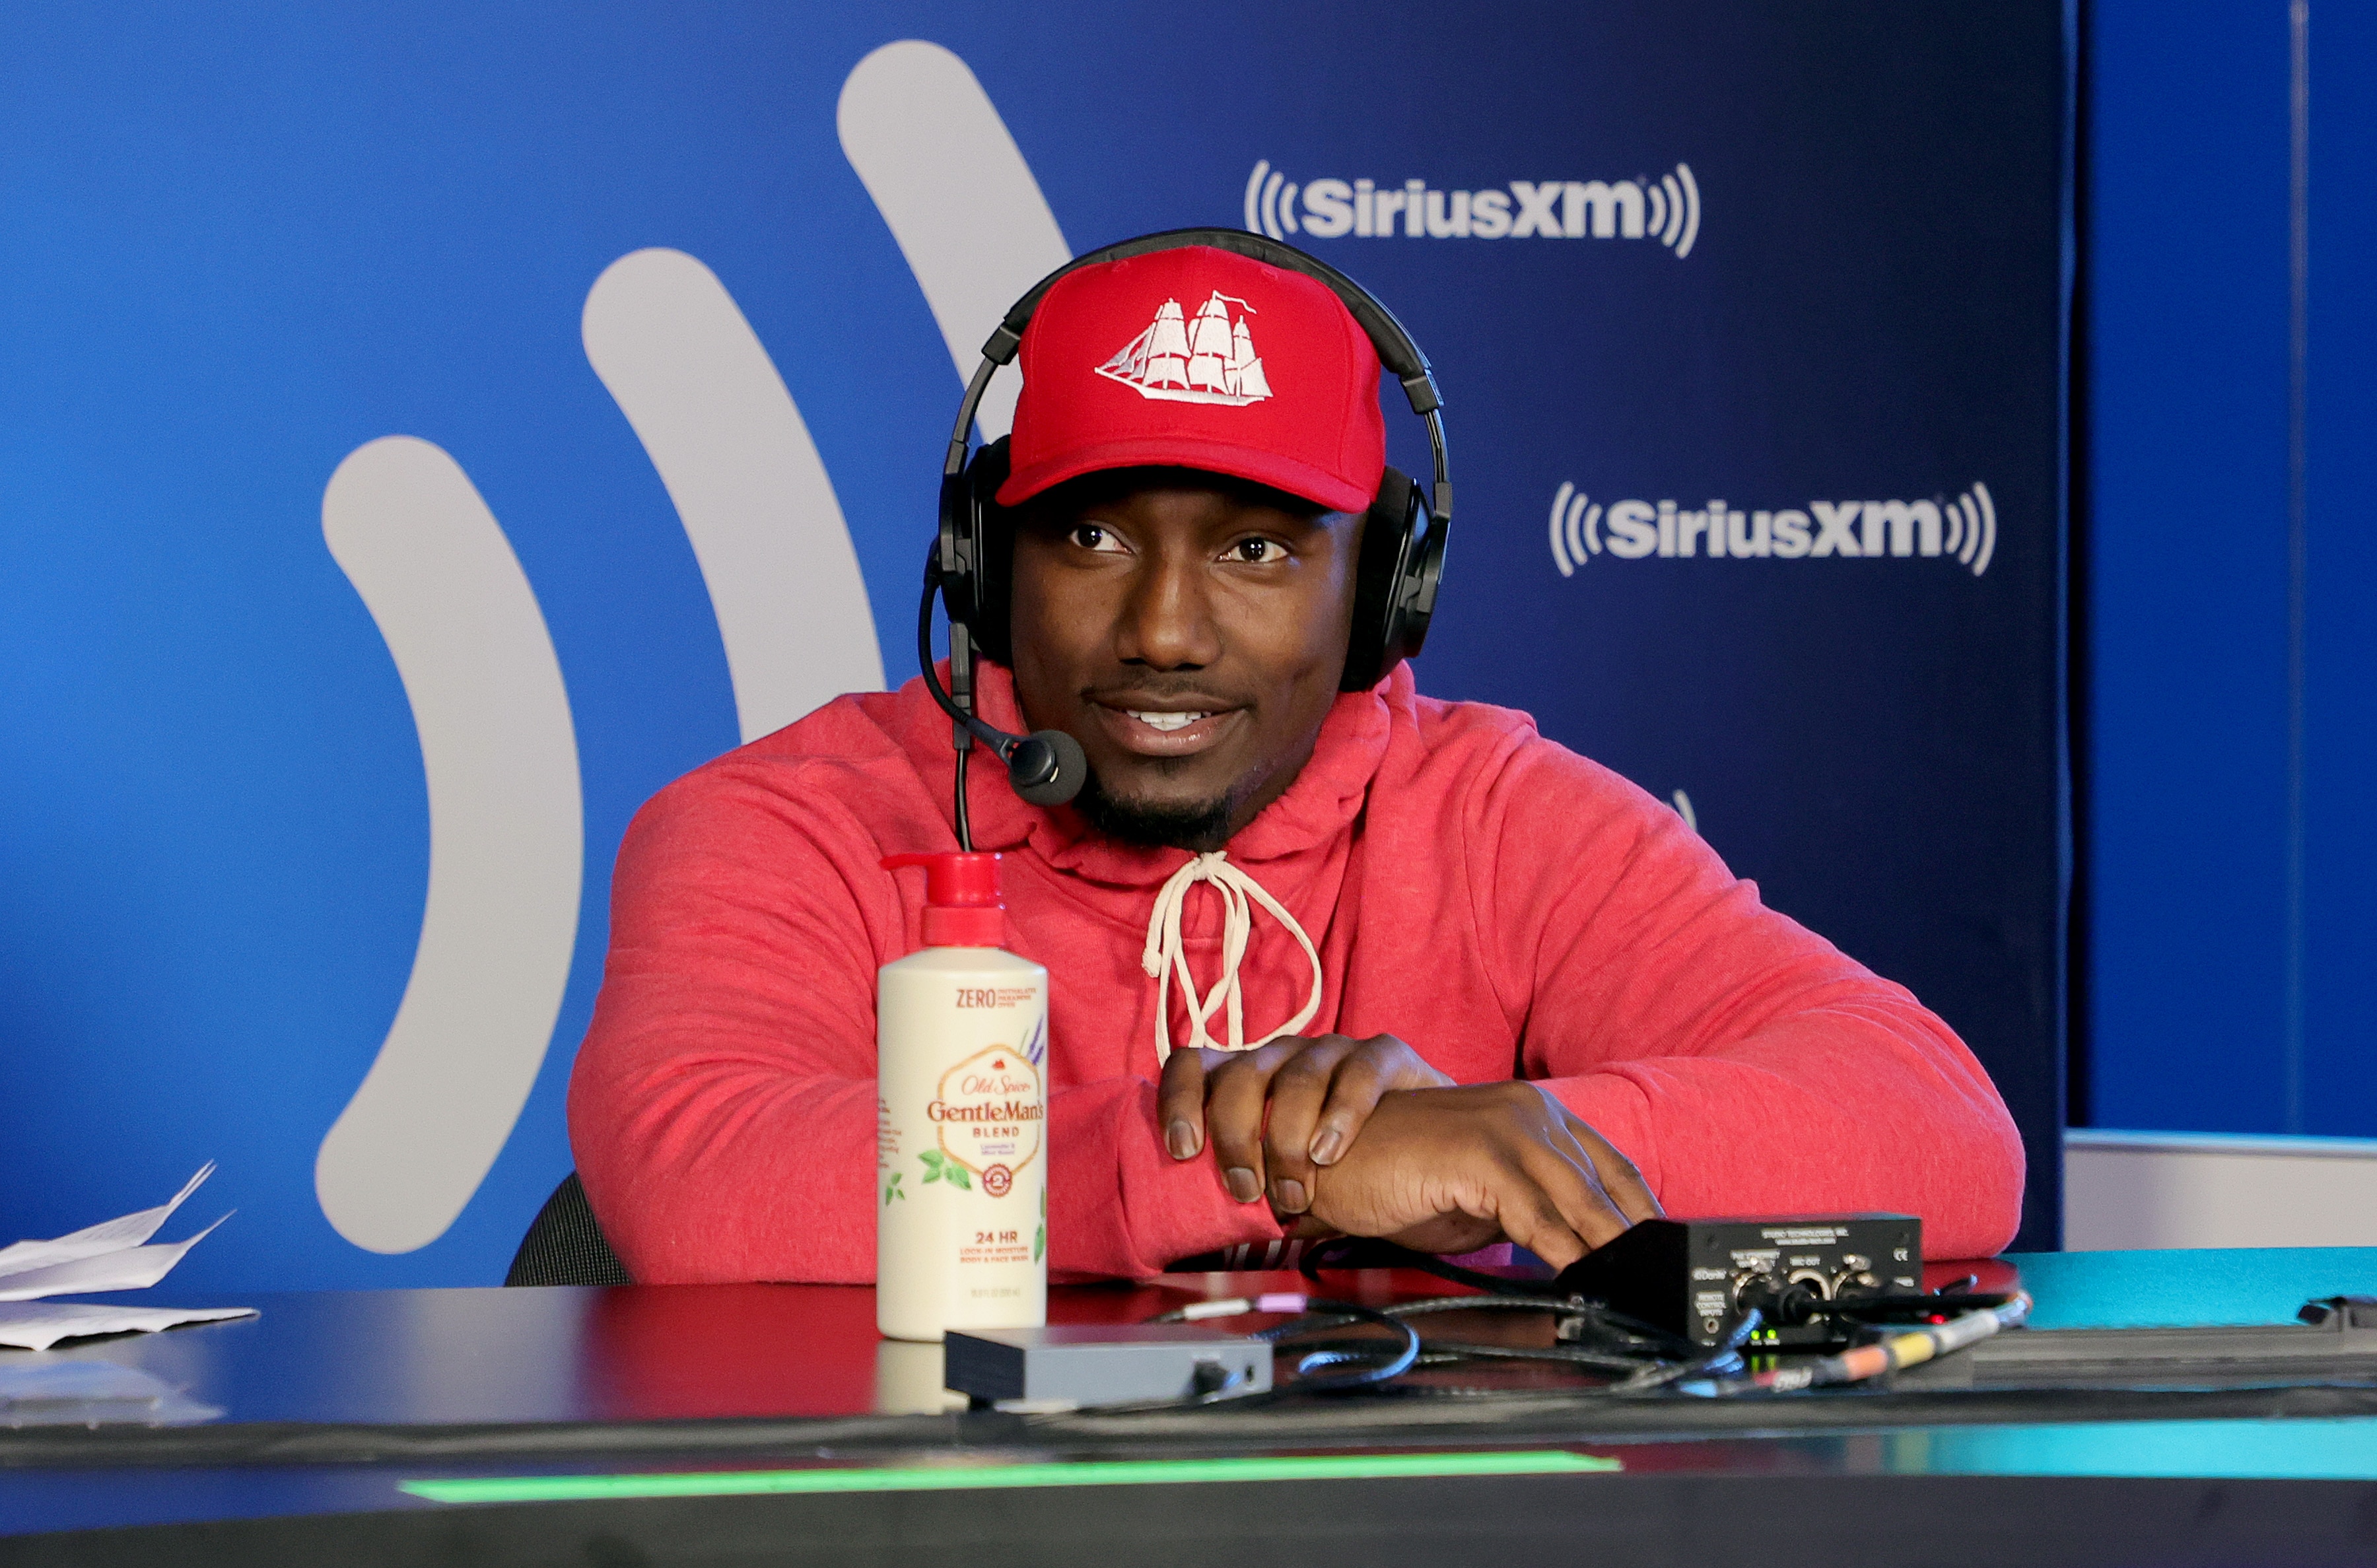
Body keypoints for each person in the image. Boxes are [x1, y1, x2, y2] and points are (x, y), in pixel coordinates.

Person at [567, 240, 2024, 1283]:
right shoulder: (783, 823)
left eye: (1258, 550)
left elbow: (1947, 1131)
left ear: (1383, 591)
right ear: (982, 559)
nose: (1167, 629)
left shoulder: (1502, 815)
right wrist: (1299, 1168)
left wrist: (1495, 1145)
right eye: (1093, 535)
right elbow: (706, 1179)